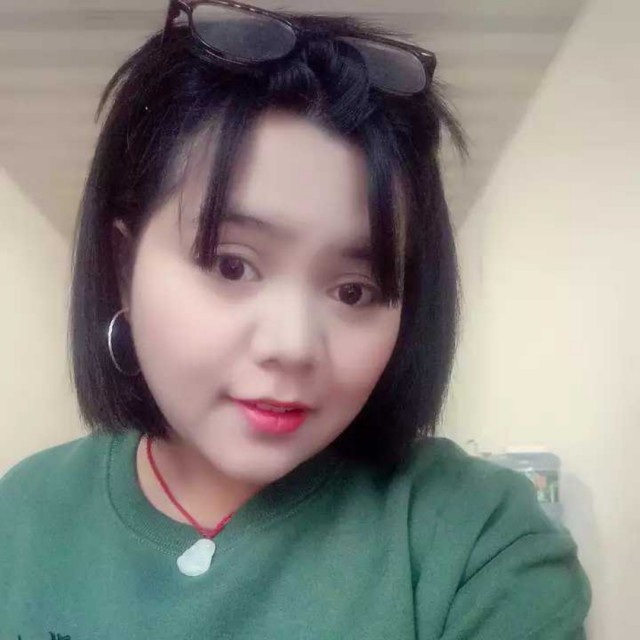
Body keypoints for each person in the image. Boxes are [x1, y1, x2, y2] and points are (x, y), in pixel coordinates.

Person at [0, 1, 591, 637]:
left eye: (353, 291)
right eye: (232, 265)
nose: (293, 346)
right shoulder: (22, 517)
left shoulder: (480, 540)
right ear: (124, 268)